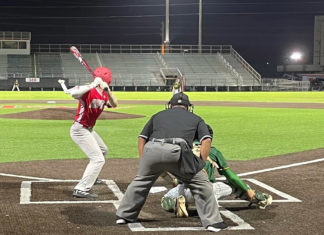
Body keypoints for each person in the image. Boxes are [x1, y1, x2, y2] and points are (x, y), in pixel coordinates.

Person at [116, 92, 228, 232]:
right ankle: (213, 222)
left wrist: (144, 159)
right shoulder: (196, 118)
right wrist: (201, 164)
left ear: (170, 105)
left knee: (140, 182)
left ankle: (124, 216)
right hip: (177, 151)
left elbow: (142, 138)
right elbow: (206, 140)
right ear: (188, 107)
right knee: (201, 183)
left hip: (152, 150)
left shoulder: (157, 115)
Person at [161, 138, 273, 217]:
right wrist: (247, 190)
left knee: (166, 198)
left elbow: (164, 170)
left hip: (185, 192)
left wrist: (177, 180)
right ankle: (259, 198)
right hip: (210, 191)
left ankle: (177, 204)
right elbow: (231, 177)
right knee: (237, 185)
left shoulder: (180, 150)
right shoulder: (213, 151)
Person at [58, 67, 118, 198]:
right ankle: (81, 188)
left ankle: (93, 176)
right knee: (98, 159)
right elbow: (73, 93)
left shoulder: (103, 93)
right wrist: (93, 84)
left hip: (89, 129)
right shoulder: (88, 91)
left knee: (103, 150)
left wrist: (108, 91)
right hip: (79, 129)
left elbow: (114, 104)